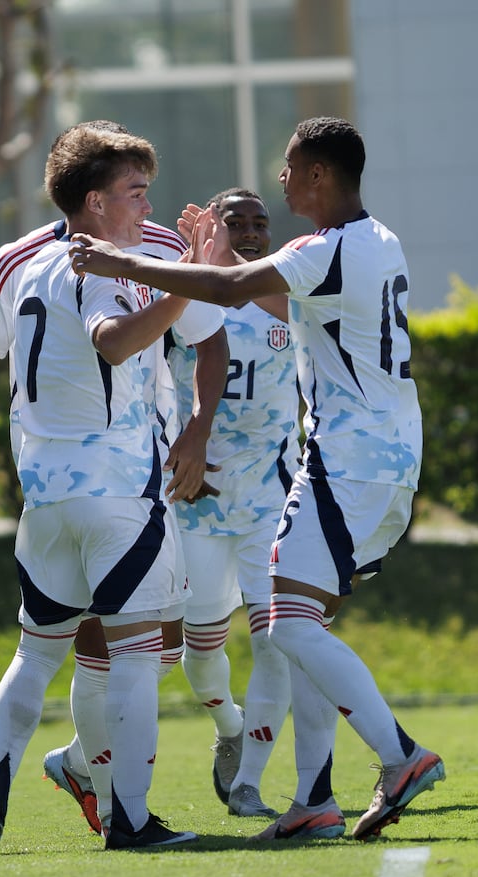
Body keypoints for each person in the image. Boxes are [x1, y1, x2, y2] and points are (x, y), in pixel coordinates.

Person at [69, 116, 445, 842]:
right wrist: (208, 264)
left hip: (347, 462)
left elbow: (233, 286)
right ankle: (314, 800)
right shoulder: (379, 241)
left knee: (287, 624)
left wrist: (126, 266)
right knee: (300, 626)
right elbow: (253, 293)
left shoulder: (323, 250)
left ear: (319, 176)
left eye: (291, 167)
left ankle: (400, 758)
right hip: (389, 458)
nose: (282, 178)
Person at [0, 123, 226, 853]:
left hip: (47, 498)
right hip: (119, 491)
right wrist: (188, 279)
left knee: (36, 654)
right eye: (136, 192)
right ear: (96, 202)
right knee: (137, 655)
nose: (148, 206)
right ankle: (128, 819)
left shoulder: (30, 267)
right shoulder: (100, 261)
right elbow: (114, 338)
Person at [165, 187, 299, 819]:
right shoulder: (182, 293)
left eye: (258, 223)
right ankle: (228, 725)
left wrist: (225, 266)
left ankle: (249, 784)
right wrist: (198, 269)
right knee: (198, 652)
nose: (249, 231)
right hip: (197, 497)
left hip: (271, 498)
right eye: (234, 222)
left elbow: (283, 303)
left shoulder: (286, 290)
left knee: (277, 641)